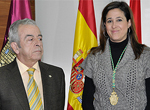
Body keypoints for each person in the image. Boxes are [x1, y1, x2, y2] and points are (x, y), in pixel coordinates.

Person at [81, 1, 150, 110]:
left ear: (129, 23)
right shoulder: (93, 57)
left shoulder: (146, 55)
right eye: (109, 21)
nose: (114, 25)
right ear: (105, 25)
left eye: (119, 20)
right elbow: (86, 101)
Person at [0, 18, 65, 110]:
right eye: (30, 39)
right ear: (15, 47)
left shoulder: (56, 74)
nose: (38, 43)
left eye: (40, 38)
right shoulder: (2, 77)